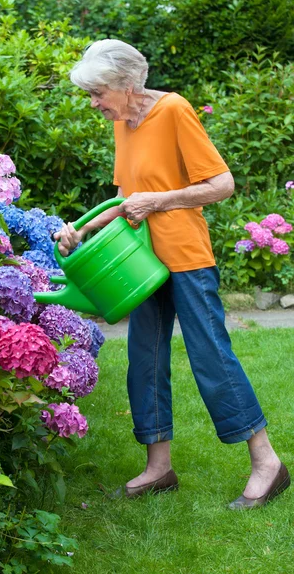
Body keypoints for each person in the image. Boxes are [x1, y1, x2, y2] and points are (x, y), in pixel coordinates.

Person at [54, 39, 290, 509]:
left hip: (184, 256)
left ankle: (268, 463)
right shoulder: (123, 122)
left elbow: (221, 184)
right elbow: (127, 197)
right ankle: (159, 468)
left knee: (210, 356)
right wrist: (80, 228)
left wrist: (161, 201)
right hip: (140, 264)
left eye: (98, 92)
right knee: (144, 359)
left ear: (125, 83)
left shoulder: (174, 109)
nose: (94, 103)